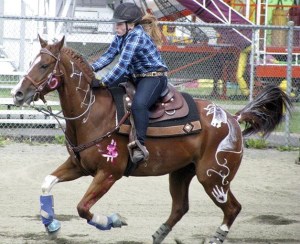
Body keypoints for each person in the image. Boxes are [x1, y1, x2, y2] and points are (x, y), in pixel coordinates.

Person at [90, 2, 168, 164]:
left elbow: (122, 65)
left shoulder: (136, 36)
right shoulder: (121, 35)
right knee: (107, 94)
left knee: (139, 104)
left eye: (119, 24)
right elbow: (108, 56)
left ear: (130, 25)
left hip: (153, 77)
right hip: (135, 76)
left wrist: (104, 82)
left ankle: (140, 145)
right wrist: (88, 69)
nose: (115, 28)